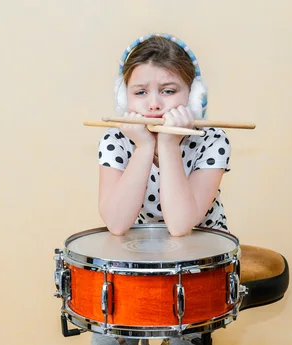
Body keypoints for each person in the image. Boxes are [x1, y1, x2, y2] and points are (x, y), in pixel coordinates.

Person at [92, 33, 231, 345]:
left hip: (199, 261)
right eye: (140, 92)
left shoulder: (213, 140)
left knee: (183, 336)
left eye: (168, 91)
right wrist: (143, 147)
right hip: (138, 256)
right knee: (107, 337)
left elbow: (181, 225)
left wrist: (168, 144)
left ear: (195, 97)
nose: (154, 104)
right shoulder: (115, 140)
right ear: (123, 97)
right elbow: (116, 223)